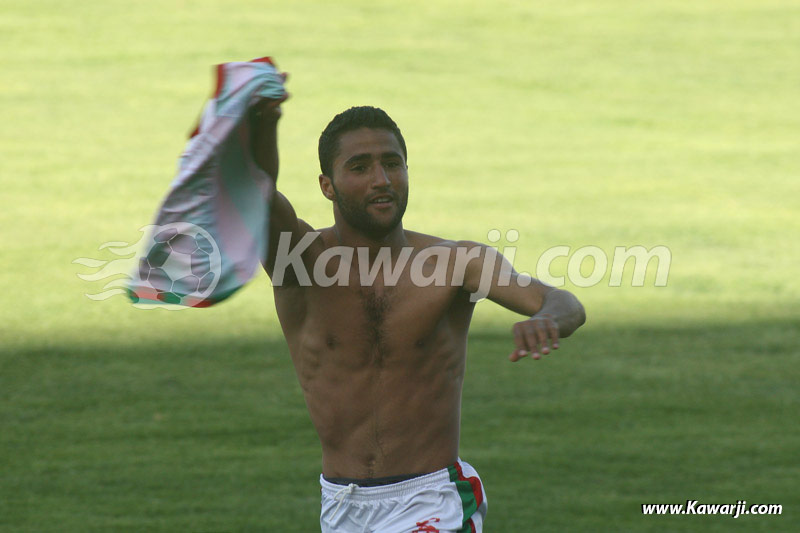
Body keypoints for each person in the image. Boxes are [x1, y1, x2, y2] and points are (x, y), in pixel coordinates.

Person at [250, 94, 586, 532]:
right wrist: (261, 124)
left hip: (433, 499)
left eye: (393, 163)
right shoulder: (298, 263)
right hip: (341, 506)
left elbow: (563, 303)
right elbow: (256, 192)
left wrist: (547, 319)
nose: (382, 179)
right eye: (360, 167)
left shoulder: (455, 264)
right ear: (326, 185)